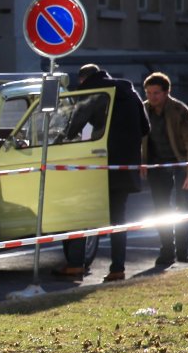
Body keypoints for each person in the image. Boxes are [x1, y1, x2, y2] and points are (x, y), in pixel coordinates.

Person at [56, 64, 149, 281]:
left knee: (82, 212)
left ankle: (75, 264)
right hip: (126, 166)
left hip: (100, 163)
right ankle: (118, 268)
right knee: (119, 219)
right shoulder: (129, 91)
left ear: (82, 79)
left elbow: (75, 124)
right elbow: (146, 128)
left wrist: (59, 140)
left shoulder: (94, 91)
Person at [142, 72, 188, 267]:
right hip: (157, 165)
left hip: (180, 163)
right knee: (160, 207)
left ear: (167, 92)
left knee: (183, 205)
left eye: (156, 93)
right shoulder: (143, 110)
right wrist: (142, 162)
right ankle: (167, 249)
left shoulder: (180, 111)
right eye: (148, 93)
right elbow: (137, 139)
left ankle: (183, 250)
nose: (151, 97)